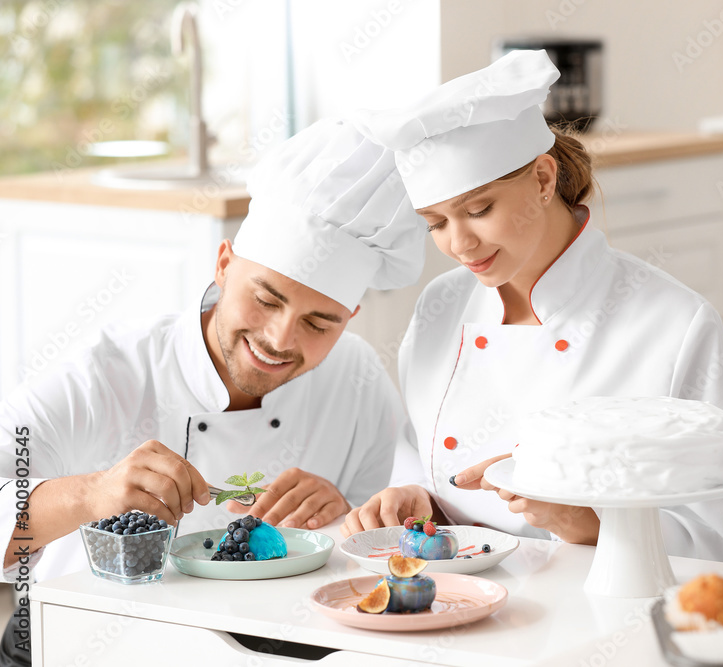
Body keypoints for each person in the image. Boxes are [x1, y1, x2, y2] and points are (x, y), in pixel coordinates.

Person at [0, 119, 423, 664]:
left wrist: (347, 518)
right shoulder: (105, 372)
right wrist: (91, 494)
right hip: (79, 639)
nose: (279, 340)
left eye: (320, 324)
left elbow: (373, 555)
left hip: (265, 643)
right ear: (223, 264)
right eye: (266, 300)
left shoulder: (357, 378)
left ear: (351, 318)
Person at [342, 50, 723, 562]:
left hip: (595, 613)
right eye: (436, 223)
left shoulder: (674, 324)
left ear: (542, 179)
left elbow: (712, 543)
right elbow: (418, 454)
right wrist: (418, 499)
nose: (459, 244)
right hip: (453, 591)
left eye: (478, 209)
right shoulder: (441, 305)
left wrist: (580, 521)